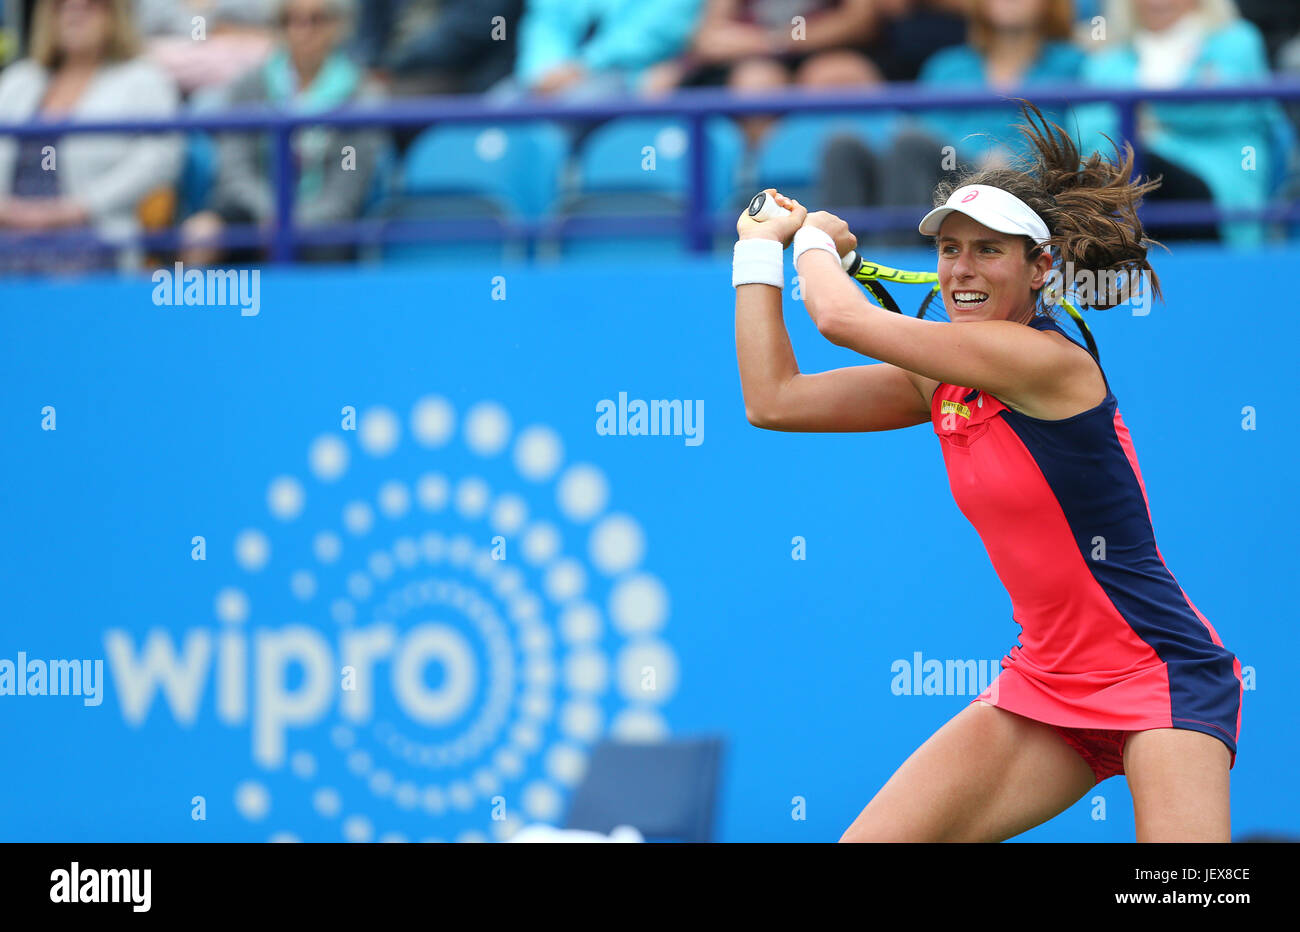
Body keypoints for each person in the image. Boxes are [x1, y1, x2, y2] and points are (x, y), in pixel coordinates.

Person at [732, 101, 1243, 842]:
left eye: (988, 251)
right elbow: (772, 401)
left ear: (1041, 269)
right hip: (1045, 681)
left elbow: (843, 320)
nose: (961, 270)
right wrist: (756, 255)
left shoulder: (1045, 360)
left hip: (1158, 669)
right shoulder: (939, 376)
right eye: (950, 250)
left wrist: (810, 238)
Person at [819, 0, 1083, 247]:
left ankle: (894, 257)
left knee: (910, 144)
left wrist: (1004, 164)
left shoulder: (1073, 64)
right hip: (948, 171)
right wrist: (979, 158)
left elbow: (1076, 139)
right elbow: (929, 131)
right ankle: (832, 254)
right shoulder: (947, 65)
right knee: (843, 144)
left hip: (1021, 185)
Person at [179, 0, 388, 265]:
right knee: (201, 232)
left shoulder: (361, 97)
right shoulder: (249, 87)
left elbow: (347, 182)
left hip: (324, 228)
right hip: (254, 217)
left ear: (337, 26)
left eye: (315, 20)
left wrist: (292, 225)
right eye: (291, 20)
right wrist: (270, 217)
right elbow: (236, 169)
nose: (303, 31)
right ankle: (197, 306)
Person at [1071, 0, 1288, 246]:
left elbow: (1219, 110)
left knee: (1139, 167)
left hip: (1216, 191)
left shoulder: (1237, 40)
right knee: (1126, 173)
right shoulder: (1107, 58)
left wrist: (1141, 114)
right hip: (1131, 196)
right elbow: (1089, 136)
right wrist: (1183, 94)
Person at [0, 0, 182, 275]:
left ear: (115, 14)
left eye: (89, 6)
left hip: (94, 239)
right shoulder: (19, 81)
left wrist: (79, 208)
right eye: (62, 6)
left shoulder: (144, 80)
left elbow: (161, 157)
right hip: (8, 234)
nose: (74, 14)